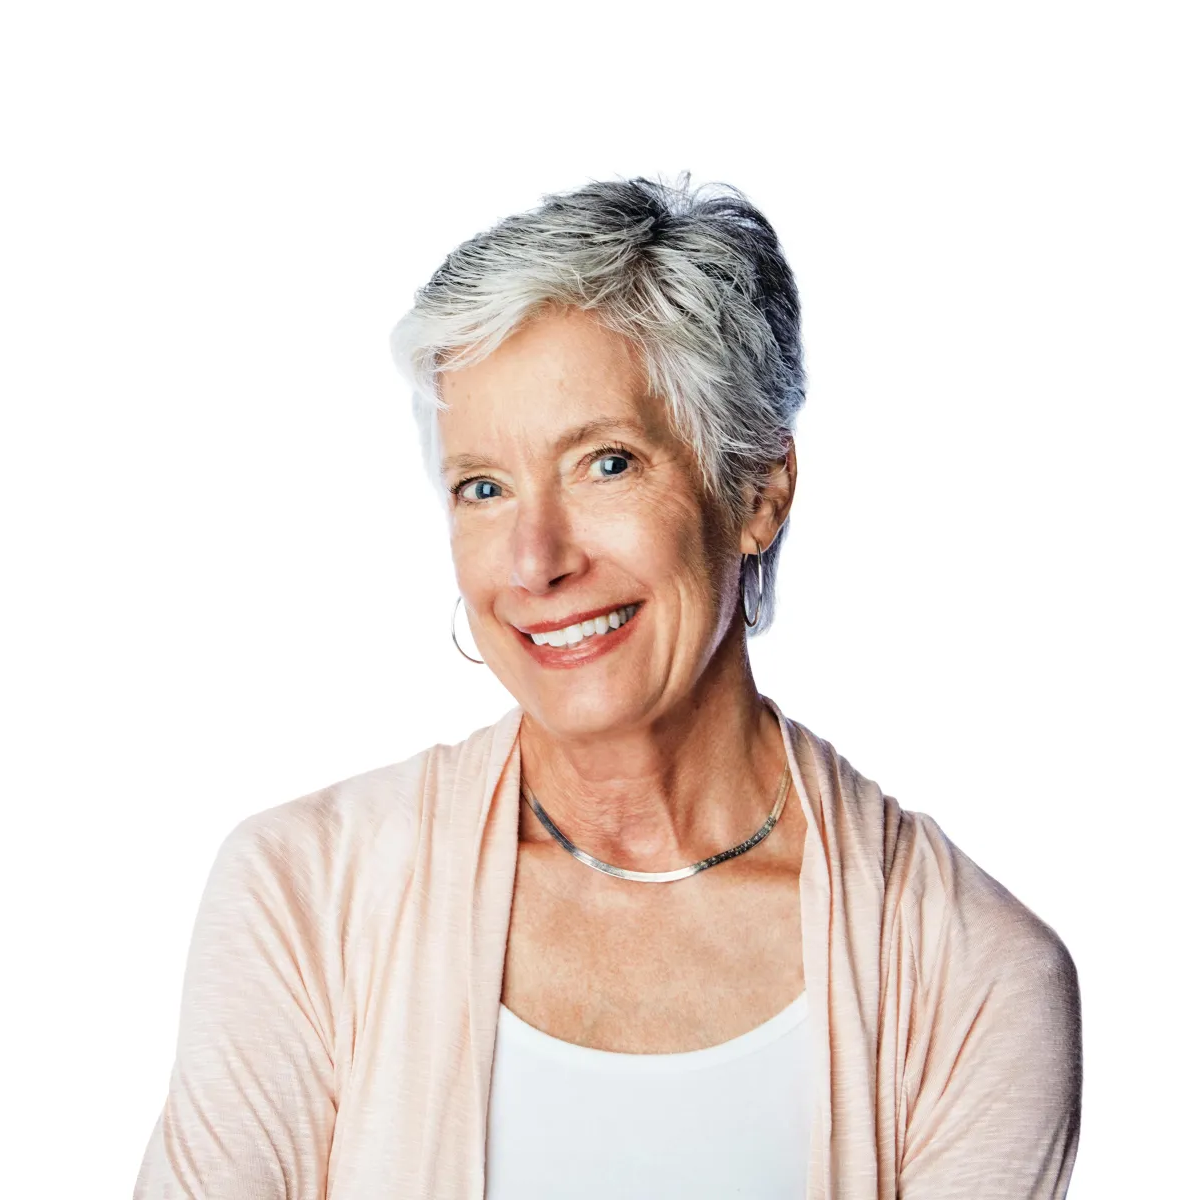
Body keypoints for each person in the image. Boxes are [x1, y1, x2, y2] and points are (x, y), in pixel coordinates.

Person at [134, 176, 1081, 1199]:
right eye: (482, 487)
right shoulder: (304, 892)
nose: (534, 560)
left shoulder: (975, 976)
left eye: (607, 463)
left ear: (756, 491)